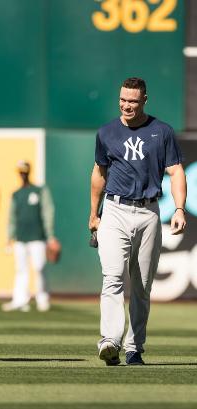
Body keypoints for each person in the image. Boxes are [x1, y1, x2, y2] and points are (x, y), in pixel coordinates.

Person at [88, 77, 187, 366]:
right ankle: (109, 341)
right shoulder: (106, 132)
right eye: (123, 99)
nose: (126, 105)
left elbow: (176, 171)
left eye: (132, 100)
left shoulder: (161, 131)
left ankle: (134, 347)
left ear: (144, 100)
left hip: (149, 212)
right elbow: (99, 174)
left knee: (142, 287)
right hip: (115, 210)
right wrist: (94, 213)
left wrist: (179, 208)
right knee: (113, 277)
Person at [2, 160, 57, 312]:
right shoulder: (16, 194)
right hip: (20, 237)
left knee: (39, 268)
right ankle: (20, 300)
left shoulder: (39, 191)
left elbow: (48, 212)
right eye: (21, 172)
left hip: (37, 237)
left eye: (24, 171)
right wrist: (9, 237)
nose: (23, 174)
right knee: (20, 269)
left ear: (28, 172)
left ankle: (42, 298)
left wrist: (50, 235)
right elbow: (12, 217)